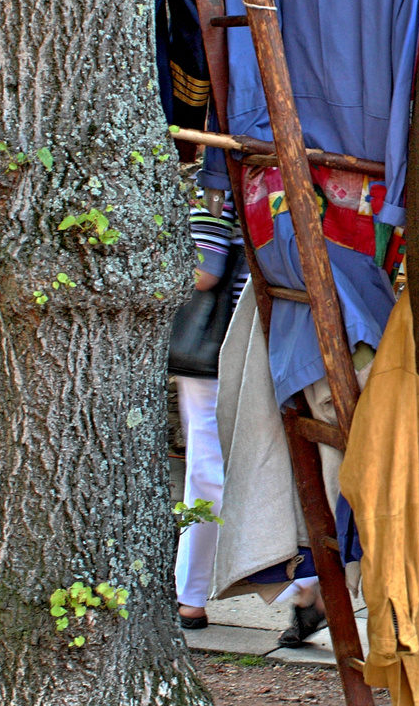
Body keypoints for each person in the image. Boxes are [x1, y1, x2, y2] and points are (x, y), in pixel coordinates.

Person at [174, 185, 245, 630]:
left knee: (206, 472)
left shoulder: (220, 184)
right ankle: (303, 588)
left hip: (217, 347)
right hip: (264, 339)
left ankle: (192, 595)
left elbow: (205, 271)